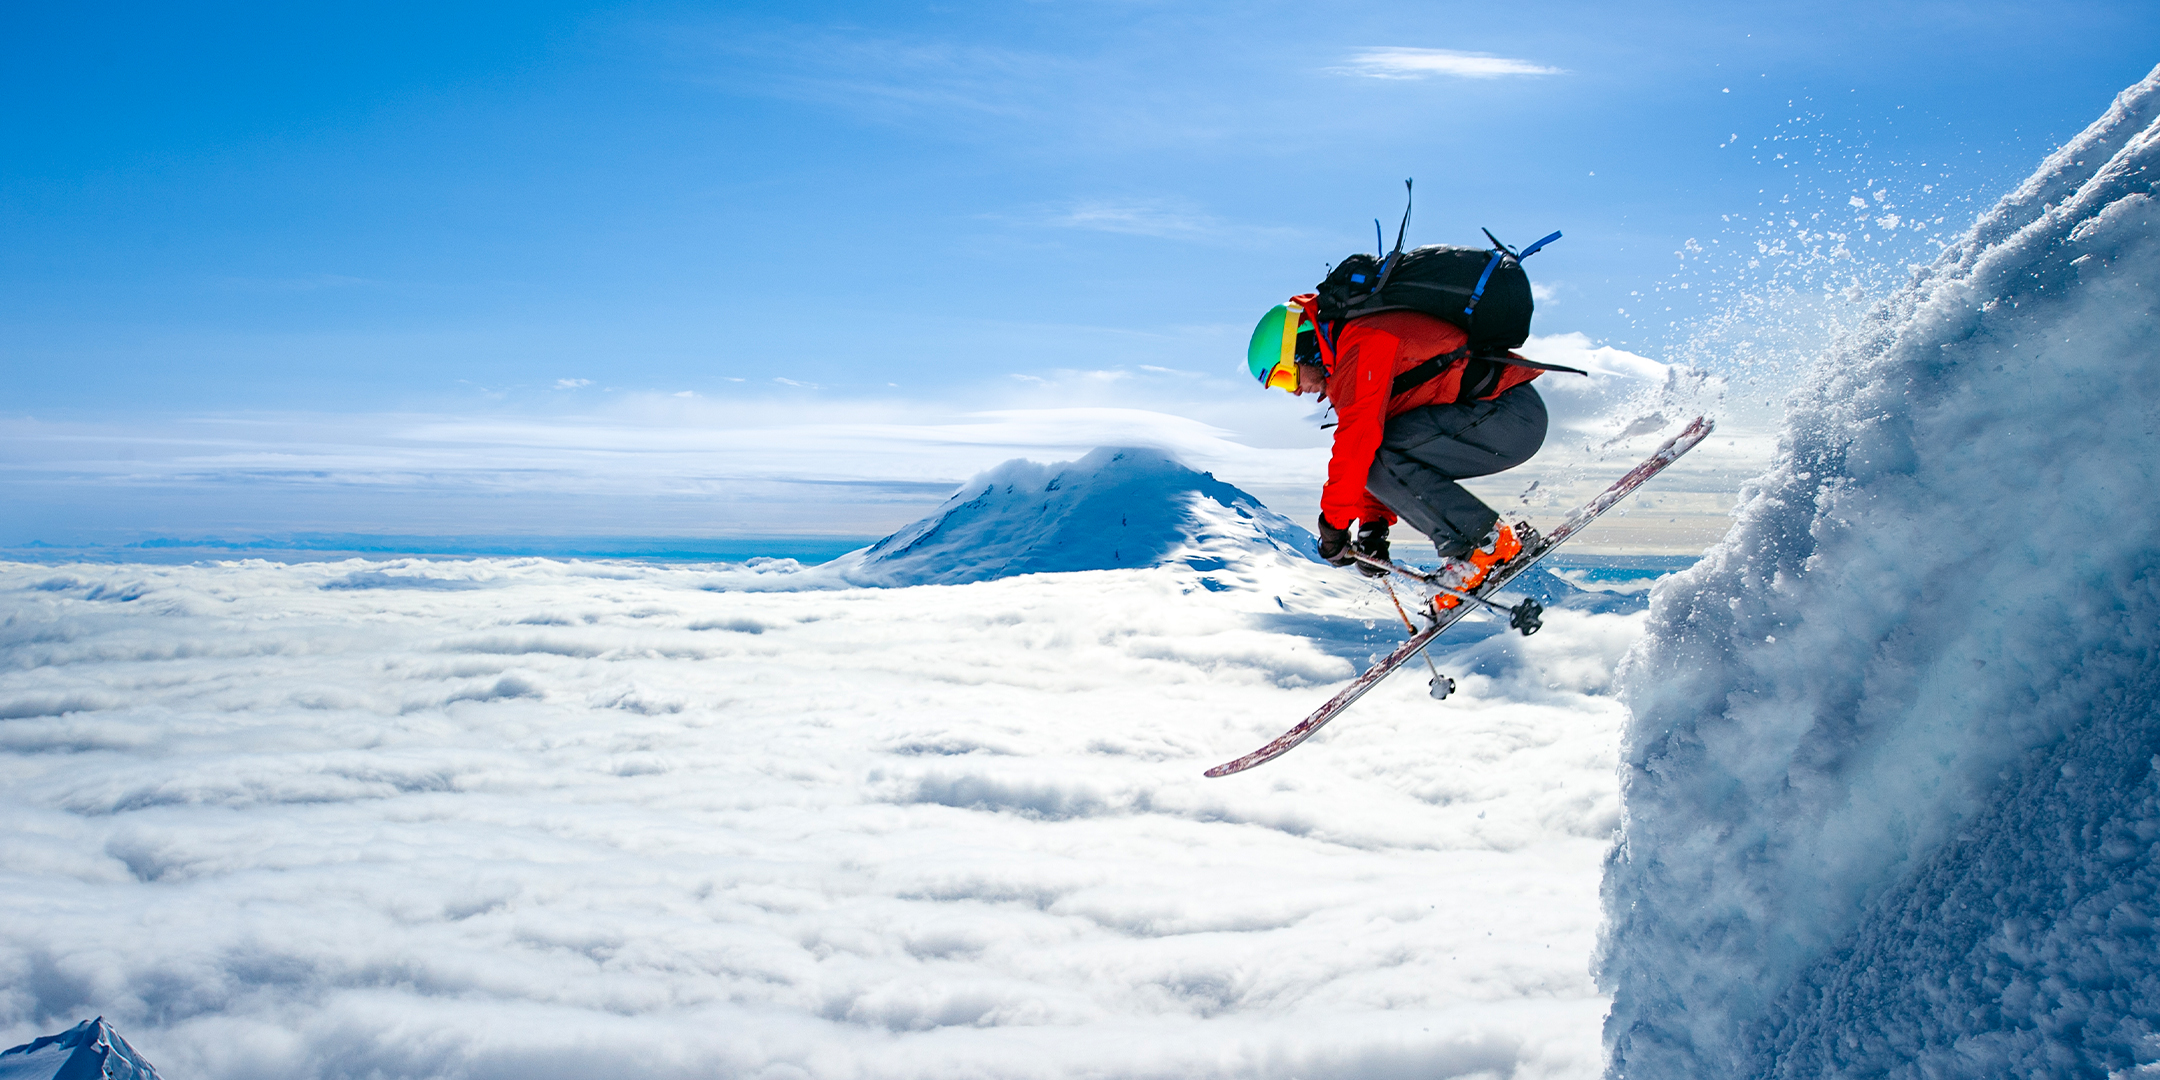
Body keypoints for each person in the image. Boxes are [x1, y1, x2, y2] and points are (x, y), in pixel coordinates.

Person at [1246, 295, 1549, 605]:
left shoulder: (1362, 343)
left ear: (1300, 347)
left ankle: (1485, 543)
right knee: (1376, 454)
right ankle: (1481, 542)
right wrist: (1372, 526)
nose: (1295, 391)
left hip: (1510, 416)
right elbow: (1381, 444)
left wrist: (1333, 526)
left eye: (1285, 376)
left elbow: (1358, 447)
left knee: (1371, 455)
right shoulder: (1353, 355)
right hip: (1502, 417)